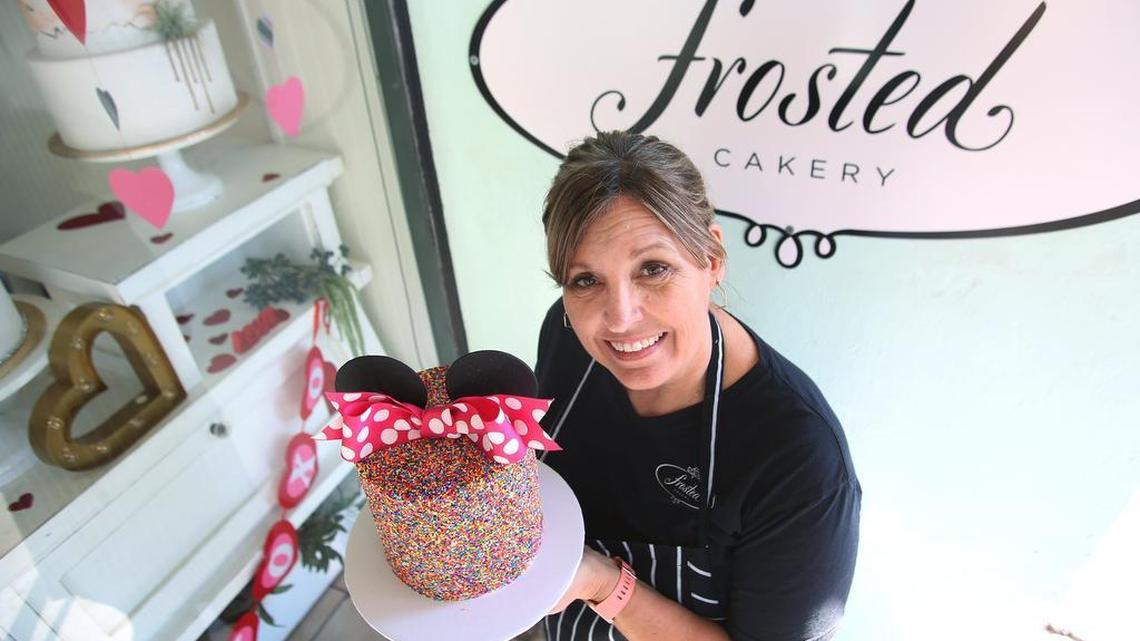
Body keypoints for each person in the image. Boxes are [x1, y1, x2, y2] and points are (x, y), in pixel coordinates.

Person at [534, 131, 861, 641]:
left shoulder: (800, 460)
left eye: (654, 269)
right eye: (586, 280)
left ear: (711, 259)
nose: (620, 318)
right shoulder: (565, 334)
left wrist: (603, 585)